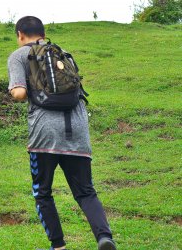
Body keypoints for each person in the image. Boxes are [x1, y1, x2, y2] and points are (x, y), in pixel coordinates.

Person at [7, 16, 117, 250]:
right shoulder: (63, 53)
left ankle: (58, 246)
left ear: (20, 34)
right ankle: (104, 238)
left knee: (43, 193)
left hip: (44, 135)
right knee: (86, 191)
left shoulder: (19, 56)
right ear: (43, 33)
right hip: (76, 130)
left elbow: (18, 93)